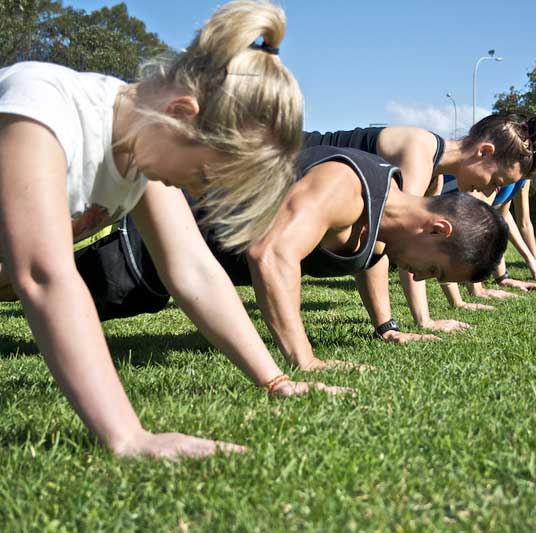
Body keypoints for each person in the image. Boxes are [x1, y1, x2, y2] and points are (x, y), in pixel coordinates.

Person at [0, 0, 343, 461]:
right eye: (204, 175)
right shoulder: (41, 107)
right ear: (183, 112)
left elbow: (193, 270)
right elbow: (45, 276)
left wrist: (276, 382)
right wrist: (129, 437)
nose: (197, 192)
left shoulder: (139, 147)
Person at [2, 146, 510, 370]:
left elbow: (372, 257)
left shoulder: (388, 213)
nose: (420, 275)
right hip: (155, 241)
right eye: (435, 268)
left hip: (183, 269)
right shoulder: (345, 187)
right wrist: (302, 359)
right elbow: (270, 254)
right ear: (437, 227)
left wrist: (386, 325)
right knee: (32, 278)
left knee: (32, 277)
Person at [302, 113, 536, 338]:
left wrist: (424, 320)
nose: (489, 191)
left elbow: (425, 249)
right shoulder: (418, 155)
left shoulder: (434, 173)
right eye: (495, 180)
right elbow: (388, 240)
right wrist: (391, 328)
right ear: (484, 152)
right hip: (285, 155)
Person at [437, 124, 536, 308]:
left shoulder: (521, 177)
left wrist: (503, 277)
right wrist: (471, 294)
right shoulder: (509, 168)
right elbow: (462, 225)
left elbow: (499, 219)